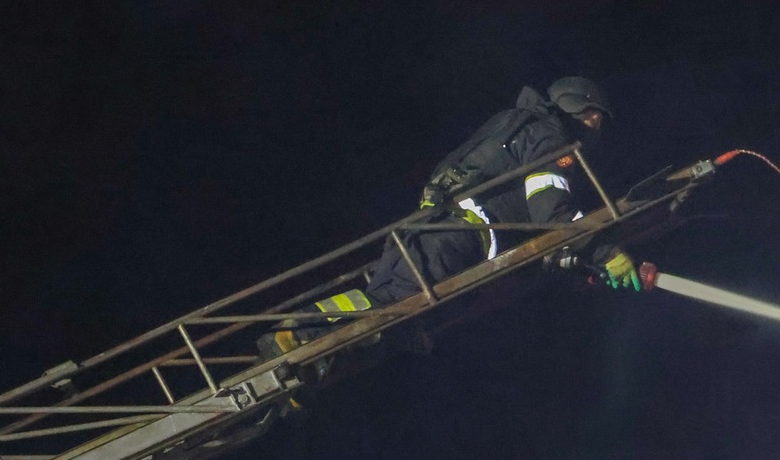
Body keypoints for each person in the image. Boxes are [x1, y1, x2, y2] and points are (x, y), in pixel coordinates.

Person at [259, 76, 643, 358]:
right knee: (390, 307)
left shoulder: (513, 124)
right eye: (594, 117)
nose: (596, 127)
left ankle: (302, 362)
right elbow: (552, 209)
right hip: (457, 234)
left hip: (426, 228)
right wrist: (603, 250)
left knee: (390, 310)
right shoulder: (550, 138)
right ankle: (298, 333)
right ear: (577, 108)